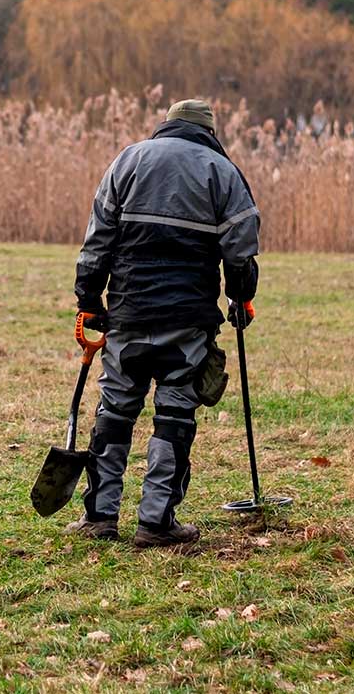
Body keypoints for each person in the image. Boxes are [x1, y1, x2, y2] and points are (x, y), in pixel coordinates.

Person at [68, 99, 260, 548]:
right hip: (187, 323)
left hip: (128, 315)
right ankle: (156, 523)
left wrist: (89, 299)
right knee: (174, 417)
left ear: (167, 125)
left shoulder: (128, 160)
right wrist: (241, 297)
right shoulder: (222, 172)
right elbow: (241, 250)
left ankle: (99, 517)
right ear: (209, 132)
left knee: (114, 412)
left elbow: (97, 240)